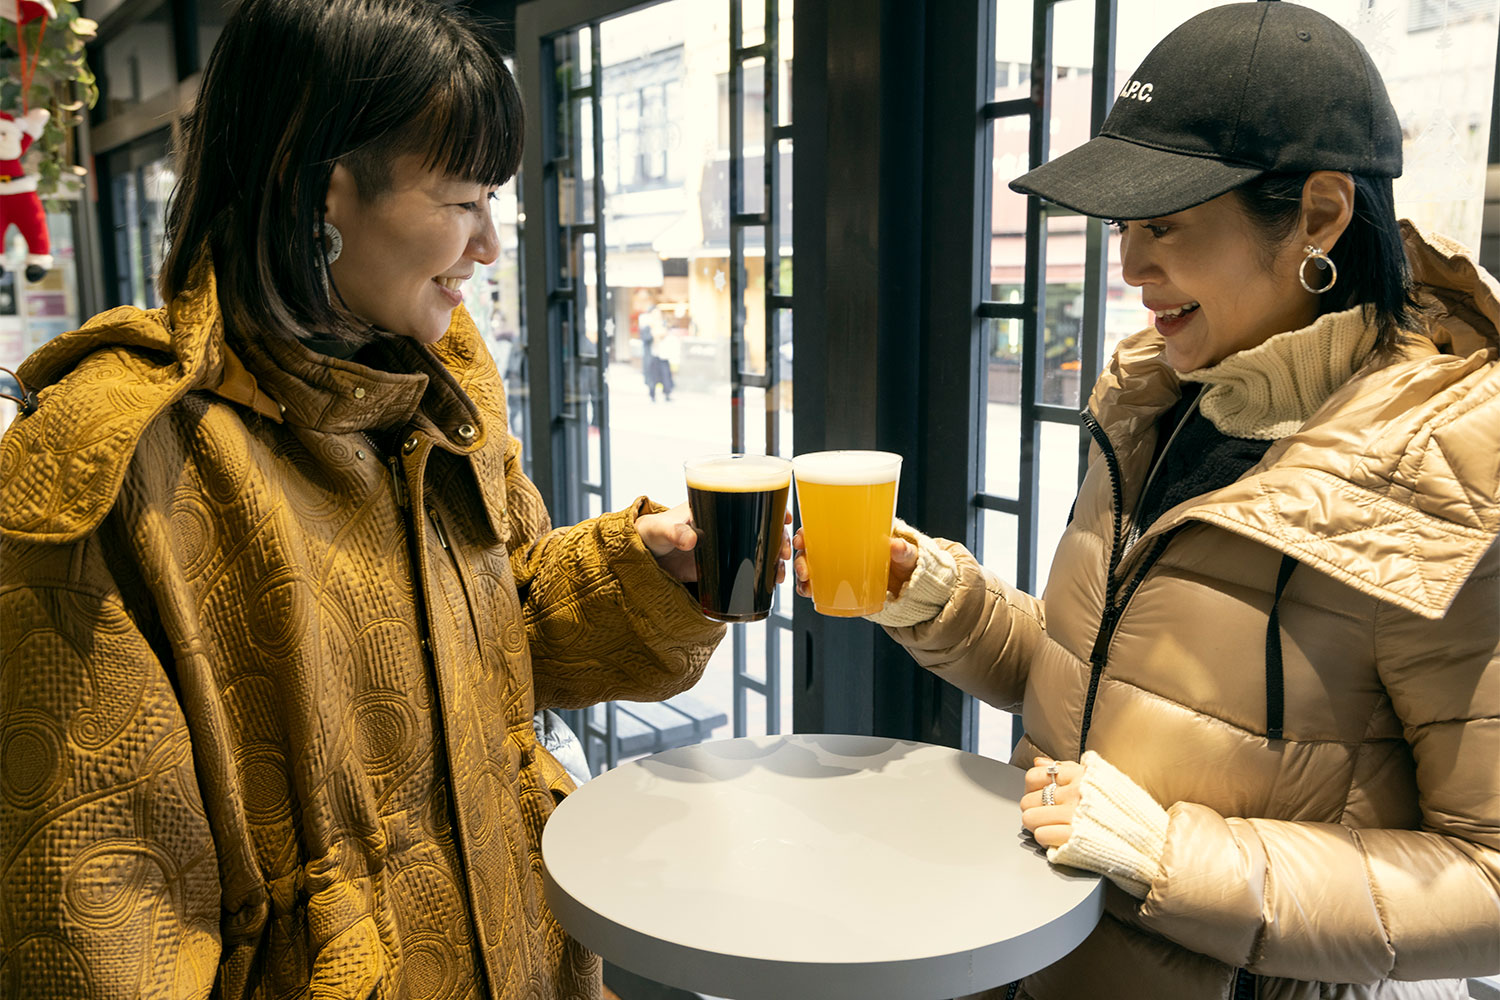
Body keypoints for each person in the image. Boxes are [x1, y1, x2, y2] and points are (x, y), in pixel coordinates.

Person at [0, 1, 782, 995]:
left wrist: (646, 567)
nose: (491, 245)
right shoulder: (118, 464)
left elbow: (510, 634)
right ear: (319, 193)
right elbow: (96, 911)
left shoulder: (443, 380)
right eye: (463, 200)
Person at [795, 4, 1498, 998]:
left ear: (1321, 214)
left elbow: (1487, 878)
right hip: (1034, 960)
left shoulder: (1446, 472)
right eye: (1127, 226)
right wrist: (936, 599)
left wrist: (1172, 857)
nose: (1129, 267)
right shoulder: (1158, 404)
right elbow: (1101, 693)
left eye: (1165, 224)